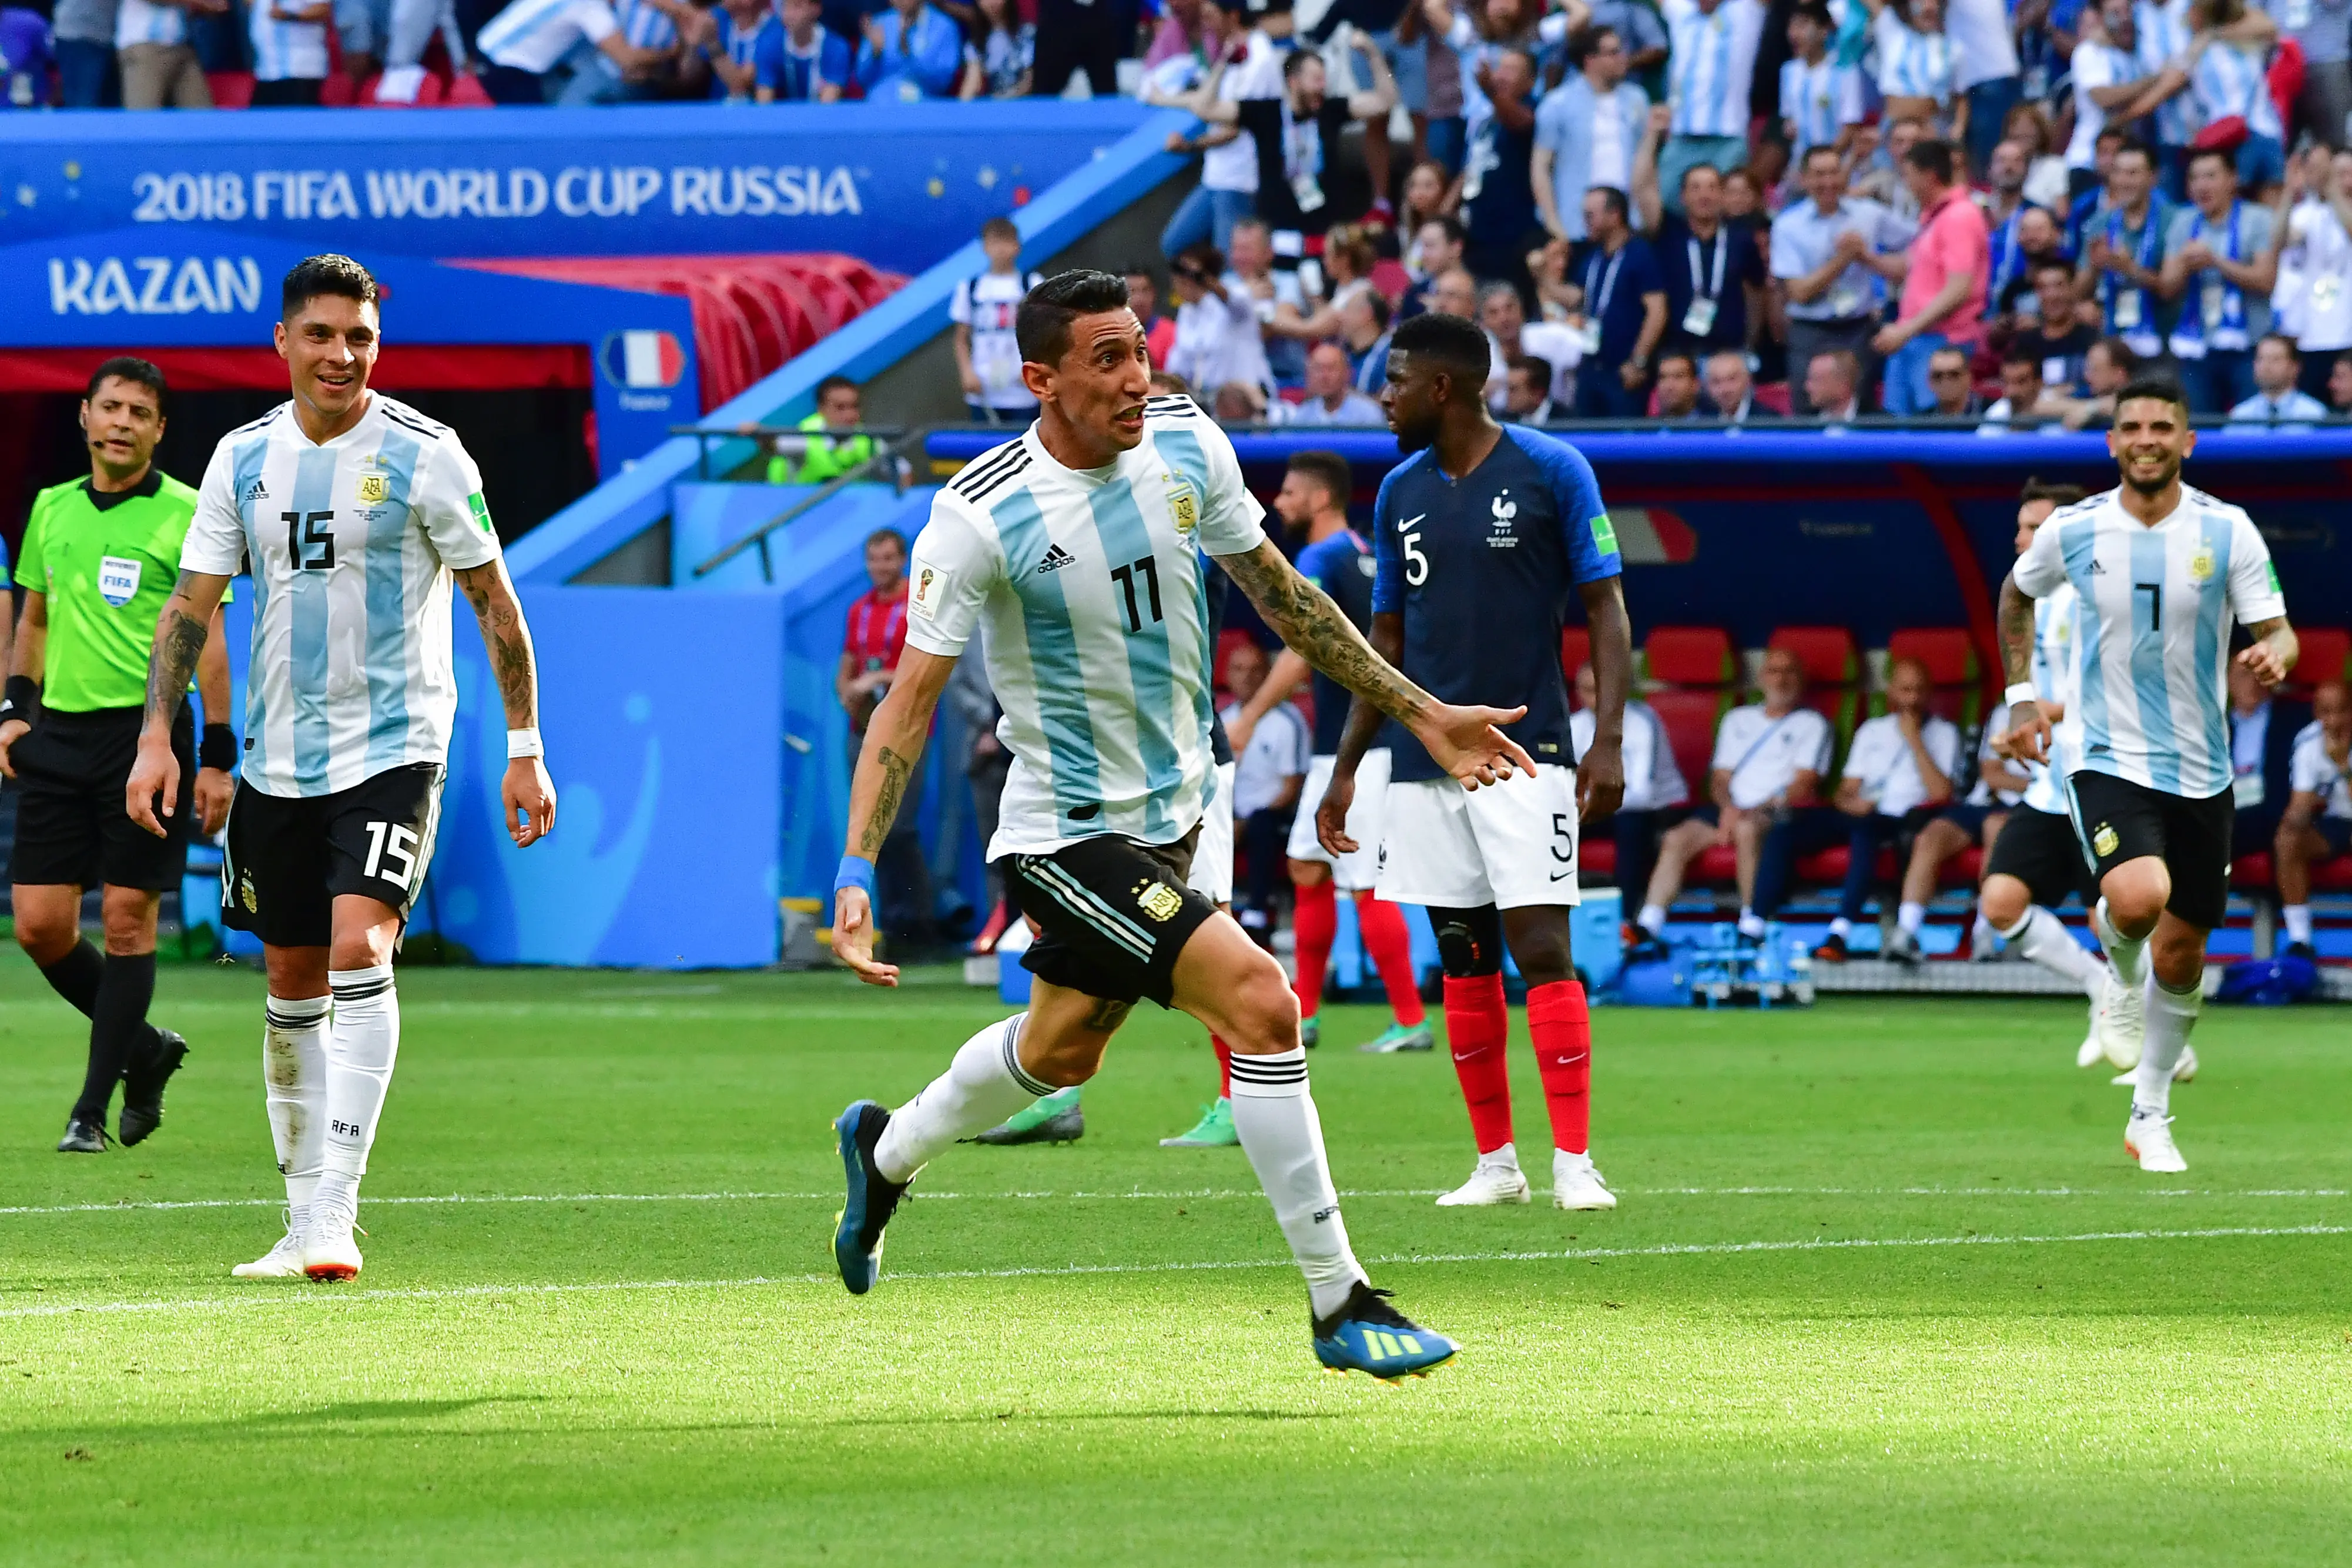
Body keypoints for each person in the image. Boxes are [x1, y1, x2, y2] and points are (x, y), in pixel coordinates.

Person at [827, 272, 1535, 1381]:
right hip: (1064, 837)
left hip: (1181, 812)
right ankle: (1339, 1297)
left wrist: (1426, 712)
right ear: (1040, 379)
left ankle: (888, 1146)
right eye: (1105, 358)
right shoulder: (978, 513)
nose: (1133, 376)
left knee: (1062, 1048)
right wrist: (856, 862)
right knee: (1263, 1001)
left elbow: (1285, 595)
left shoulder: (1186, 444)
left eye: (1140, 350)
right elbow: (907, 702)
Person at [126, 254, 556, 1278]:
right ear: (281, 340)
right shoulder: (241, 459)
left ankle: (335, 1212)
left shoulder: (426, 452)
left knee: (361, 945)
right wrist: (158, 736)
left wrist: (526, 746)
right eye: (321, 334)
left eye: (359, 336)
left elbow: (495, 601)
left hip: (395, 743)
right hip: (277, 760)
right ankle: (296, 1218)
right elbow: (191, 607)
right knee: (289, 976)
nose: (341, 354)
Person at [1320, 309, 1635, 1212]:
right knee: (1460, 957)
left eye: (1394, 380)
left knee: (1540, 947)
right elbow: (1382, 638)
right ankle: (1495, 1164)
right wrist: (1349, 766)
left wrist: (1604, 738)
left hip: (1525, 753)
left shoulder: (1551, 470)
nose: (1382, 398)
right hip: (1424, 762)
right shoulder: (1396, 492)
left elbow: (1605, 606)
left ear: (1442, 387)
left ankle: (1573, 1161)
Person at [2001, 375, 2299, 1172]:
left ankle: (2150, 1113)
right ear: (2111, 443)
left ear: (2185, 441)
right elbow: (2014, 595)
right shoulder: (2074, 528)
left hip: (2203, 769)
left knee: (2183, 953)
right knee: (2136, 899)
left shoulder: (2225, 530)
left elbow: (2278, 628)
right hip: (2106, 755)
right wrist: (2018, 697)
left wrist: (2274, 652)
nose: (2144, 438)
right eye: (2130, 426)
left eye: (2160, 427)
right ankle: (2115, 983)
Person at [1, 359, 233, 1154]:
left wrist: (217, 753)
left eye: (141, 411)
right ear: (86, 416)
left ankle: (90, 1111)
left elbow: (207, 641)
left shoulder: (189, 514)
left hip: (149, 740)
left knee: (130, 922)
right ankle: (144, 1049)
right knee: (38, 927)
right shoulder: (51, 510)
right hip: (59, 738)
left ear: (160, 429)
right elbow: (33, 620)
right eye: (112, 407)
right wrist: (13, 710)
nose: (124, 421)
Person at [1220, 451, 1435, 1062]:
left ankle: (1410, 1020)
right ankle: (1304, 1015)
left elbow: (1301, 645)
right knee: (1309, 869)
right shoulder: (1368, 555)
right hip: (1347, 749)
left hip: (1358, 753)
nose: (1279, 504)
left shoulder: (1319, 558)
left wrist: (1250, 717)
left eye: (1288, 493)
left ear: (1318, 499)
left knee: (1363, 883)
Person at [1971, 480, 2149, 1069]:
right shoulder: (2031, 601)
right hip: (2053, 786)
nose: (2021, 539)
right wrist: (2026, 719)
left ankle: (2161, 1047)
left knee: (2119, 917)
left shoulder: (2104, 600)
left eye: (2034, 528)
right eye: (2020, 527)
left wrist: (2035, 716)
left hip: (2107, 779)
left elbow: (2113, 693)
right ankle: (2099, 987)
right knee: (2001, 901)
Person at [1634, 645, 1834, 945]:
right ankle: (1647, 925)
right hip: (1730, 809)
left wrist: (1748, 811)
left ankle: (1750, 924)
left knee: (1747, 829)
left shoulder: (1813, 724)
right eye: (1773, 672)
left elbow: (1804, 784)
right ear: (1762, 677)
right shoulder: (1737, 719)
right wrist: (1728, 807)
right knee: (1677, 838)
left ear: (1801, 679)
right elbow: (1720, 778)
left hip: (1776, 811)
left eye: (1788, 672)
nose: (1780, 680)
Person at [1810, 657, 1961, 961]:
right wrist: (1851, 803)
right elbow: (1845, 791)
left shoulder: (1945, 733)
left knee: (1869, 834)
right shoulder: (1872, 730)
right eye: (1906, 691)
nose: (1913, 699)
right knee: (1802, 830)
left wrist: (1915, 740)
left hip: (1914, 818)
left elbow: (1942, 793)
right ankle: (1828, 932)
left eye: (1919, 691)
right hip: (1869, 816)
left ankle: (1843, 931)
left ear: (1929, 693)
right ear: (1891, 692)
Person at [837, 527, 932, 945]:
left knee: (899, 828)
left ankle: (919, 923)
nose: (881, 567)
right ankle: (894, 923)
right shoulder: (859, 609)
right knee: (869, 830)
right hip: (863, 728)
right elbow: (848, 662)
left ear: (903, 560)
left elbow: (927, 665)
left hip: (908, 730)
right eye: (874, 559)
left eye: (888, 559)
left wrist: (876, 676)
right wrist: (847, 690)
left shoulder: (918, 603)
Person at [1633, 108, 1769, 365]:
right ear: (1683, 197)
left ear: (1722, 195)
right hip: (1678, 356)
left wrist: (1750, 343)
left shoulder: (1741, 238)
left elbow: (1755, 294)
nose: (1704, 196)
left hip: (1730, 354)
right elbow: (1641, 187)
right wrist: (1653, 135)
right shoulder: (1669, 232)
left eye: (1712, 188)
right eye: (1695, 188)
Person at [1148, 2, 1283, 259]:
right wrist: (1164, 99)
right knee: (1174, 245)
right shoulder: (1232, 50)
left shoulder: (1259, 58)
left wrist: (1189, 146)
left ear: (1232, 16)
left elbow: (1234, 126)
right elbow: (1206, 100)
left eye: (1210, 16)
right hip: (1215, 176)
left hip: (1239, 179)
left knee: (1230, 264)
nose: (1206, 24)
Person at [1772, 145, 1900, 413]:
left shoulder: (1868, 213)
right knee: (1808, 412)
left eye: (1834, 173)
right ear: (1804, 179)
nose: (1828, 182)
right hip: (1810, 329)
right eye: (1819, 174)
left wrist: (1871, 259)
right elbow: (1799, 292)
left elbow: (1917, 242)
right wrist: (1845, 258)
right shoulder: (1788, 225)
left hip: (1858, 328)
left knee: (1861, 410)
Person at [2159, 148, 2279, 414]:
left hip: (2250, 345)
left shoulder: (2257, 218)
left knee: (2250, 431)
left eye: (2211, 176)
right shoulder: (2183, 222)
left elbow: (2266, 280)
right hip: (2197, 347)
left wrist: (2216, 262)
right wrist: (2184, 264)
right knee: (2199, 429)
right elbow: (2167, 287)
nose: (2202, 185)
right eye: (2195, 178)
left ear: (2232, 179)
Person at [1876, 138, 1990, 416]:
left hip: (1942, 342)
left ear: (1930, 176)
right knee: (1900, 435)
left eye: (1909, 176)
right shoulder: (1933, 218)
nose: (1907, 185)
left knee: (1935, 428)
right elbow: (1908, 270)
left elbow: (1958, 288)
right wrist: (1863, 257)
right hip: (1915, 338)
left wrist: (1906, 330)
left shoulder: (1959, 216)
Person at [1570, 661, 1687, 926]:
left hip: (1656, 809)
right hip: (1598, 809)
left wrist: (1586, 803)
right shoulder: (1574, 725)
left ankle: (1625, 919)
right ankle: (1555, 912)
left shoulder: (1643, 721)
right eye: (1587, 690)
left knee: (1631, 824)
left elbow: (1643, 794)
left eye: (1601, 689)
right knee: (1555, 824)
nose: (1595, 698)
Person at [1219, 641, 1310, 942]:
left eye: (1255, 669)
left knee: (1262, 824)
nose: (1246, 677)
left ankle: (1257, 911)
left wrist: (1244, 823)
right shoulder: (1222, 721)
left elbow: (1292, 786)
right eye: (1238, 669)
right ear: (1227, 676)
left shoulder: (1287, 721)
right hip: (1230, 813)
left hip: (1273, 815)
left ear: (1268, 674)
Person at [1532, 24, 1650, 244]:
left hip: (1629, 224)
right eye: (1613, 53)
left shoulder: (1637, 100)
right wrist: (1553, 223)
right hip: (1576, 225)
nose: (1623, 58)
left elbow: (1647, 162)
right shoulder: (1558, 104)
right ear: (1590, 60)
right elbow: (1541, 167)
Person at [1657, 0, 1770, 209]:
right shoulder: (1681, 10)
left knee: (1732, 210)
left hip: (1728, 137)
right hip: (1682, 136)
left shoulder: (1745, 10)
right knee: (1666, 207)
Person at [1568, 186, 1668, 416]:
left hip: (1623, 371)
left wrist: (1638, 361)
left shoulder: (1640, 254)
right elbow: (1576, 298)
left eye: (1590, 215)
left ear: (1615, 215)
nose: (1586, 222)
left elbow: (1657, 311)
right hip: (1592, 368)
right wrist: (1543, 277)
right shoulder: (1593, 257)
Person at [1454, 46, 1543, 290]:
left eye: (1511, 70)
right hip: (1476, 233)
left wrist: (1490, 91)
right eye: (1499, 68)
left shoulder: (1532, 107)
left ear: (1531, 81)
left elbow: (1522, 123)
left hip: (1511, 236)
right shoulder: (1485, 118)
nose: (1501, 76)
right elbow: (1471, 167)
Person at [2079, 141, 2174, 364]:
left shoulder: (2174, 221)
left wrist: (2128, 268)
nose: (2124, 181)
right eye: (2118, 173)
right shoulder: (2099, 224)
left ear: (2153, 177)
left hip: (2163, 343)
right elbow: (2079, 292)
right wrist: (2095, 266)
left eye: (2133, 173)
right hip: (2114, 345)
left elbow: (2170, 289)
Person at [2276, 680, 2351, 960]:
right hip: (2331, 824)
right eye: (2326, 712)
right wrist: (2298, 814)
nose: (2334, 721)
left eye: (2342, 711)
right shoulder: (2308, 743)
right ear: (2317, 714)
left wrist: (2342, 764)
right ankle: (2301, 940)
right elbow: (2298, 812)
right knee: (2288, 838)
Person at [474, 0, 669, 102]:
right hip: (507, 69)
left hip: (487, 52)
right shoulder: (590, 6)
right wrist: (673, 52)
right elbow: (627, 59)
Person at [951, 217, 1046, 426]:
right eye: (995, 243)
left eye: (1007, 242)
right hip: (983, 391)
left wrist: (1035, 368)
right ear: (985, 247)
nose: (1001, 249)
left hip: (1022, 391)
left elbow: (1044, 333)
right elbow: (960, 338)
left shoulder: (1032, 283)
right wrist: (967, 373)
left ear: (1018, 246)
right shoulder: (971, 287)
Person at [1778, 1, 1864, 168]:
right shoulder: (1788, 71)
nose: (1794, 34)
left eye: (1802, 26)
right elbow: (1788, 118)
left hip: (1834, 165)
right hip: (1800, 165)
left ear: (1823, 31)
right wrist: (1788, 127)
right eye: (1792, 26)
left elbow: (1850, 126)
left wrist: (1826, 162)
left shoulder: (1844, 70)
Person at [2008, 259, 2099, 393]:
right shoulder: (2025, 343)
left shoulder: (2092, 340)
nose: (2052, 295)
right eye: (2043, 288)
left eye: (2059, 286)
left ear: (2072, 288)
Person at [765, 375, 873, 484]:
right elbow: (772, 445)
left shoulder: (867, 438)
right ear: (822, 409)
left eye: (855, 406)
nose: (850, 415)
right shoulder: (805, 437)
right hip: (797, 499)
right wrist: (757, 433)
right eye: (840, 407)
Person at [854, 0, 963, 100]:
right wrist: (875, 54)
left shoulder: (944, 26)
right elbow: (862, 79)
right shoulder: (879, 24)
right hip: (880, 104)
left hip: (925, 104)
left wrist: (909, 55)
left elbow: (943, 82)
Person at [115, 0, 216, 108]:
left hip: (181, 45)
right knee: (144, 117)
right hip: (145, 47)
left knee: (202, 115)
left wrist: (209, 6)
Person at [2227, 333, 2330, 428]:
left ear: (2295, 367)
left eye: (2275, 359)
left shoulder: (2315, 415)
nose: (2266, 366)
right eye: (2261, 359)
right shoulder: (2240, 416)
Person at [753, 0, 847, 100]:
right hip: (781, 115)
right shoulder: (769, 45)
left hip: (819, 114)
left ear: (816, 9)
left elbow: (828, 106)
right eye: (785, 7)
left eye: (797, 6)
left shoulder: (836, 48)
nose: (789, 14)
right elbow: (764, 103)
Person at [248, 0, 330, 105]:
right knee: (259, 118)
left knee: (296, 118)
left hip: (300, 69)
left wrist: (288, 16)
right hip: (268, 69)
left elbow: (323, 10)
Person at [1288, 341, 1387, 424]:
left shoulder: (1368, 414)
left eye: (1331, 369)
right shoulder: (1303, 415)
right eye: (1318, 369)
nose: (1324, 376)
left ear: (1347, 373)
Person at [1981, 346, 2066, 431]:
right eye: (2006, 382)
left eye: (2021, 382)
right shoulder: (1995, 415)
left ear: (2039, 383)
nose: (2012, 391)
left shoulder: (2061, 409)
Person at [1703, 347, 1779, 420]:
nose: (1725, 389)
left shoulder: (1769, 419)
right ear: (1707, 386)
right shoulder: (1703, 421)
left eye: (1732, 379)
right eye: (1716, 382)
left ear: (1748, 380)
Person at [1805, 346, 1866, 423]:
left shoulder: (1878, 423)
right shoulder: (1804, 423)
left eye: (1817, 380)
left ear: (1843, 385)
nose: (1808, 387)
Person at [1926, 343, 1982, 417]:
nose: (1946, 382)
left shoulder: (1992, 415)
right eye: (1938, 376)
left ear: (1969, 377)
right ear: (1930, 381)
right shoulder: (1919, 423)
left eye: (1954, 374)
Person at [1505, 353, 1562, 420]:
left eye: (1513, 389)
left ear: (1538, 394)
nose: (1507, 395)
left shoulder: (1568, 421)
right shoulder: (1504, 421)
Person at [1652, 350, 1707, 418]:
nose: (1669, 386)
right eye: (1663, 377)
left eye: (1678, 377)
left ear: (1695, 384)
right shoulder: (1645, 427)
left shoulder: (1712, 426)